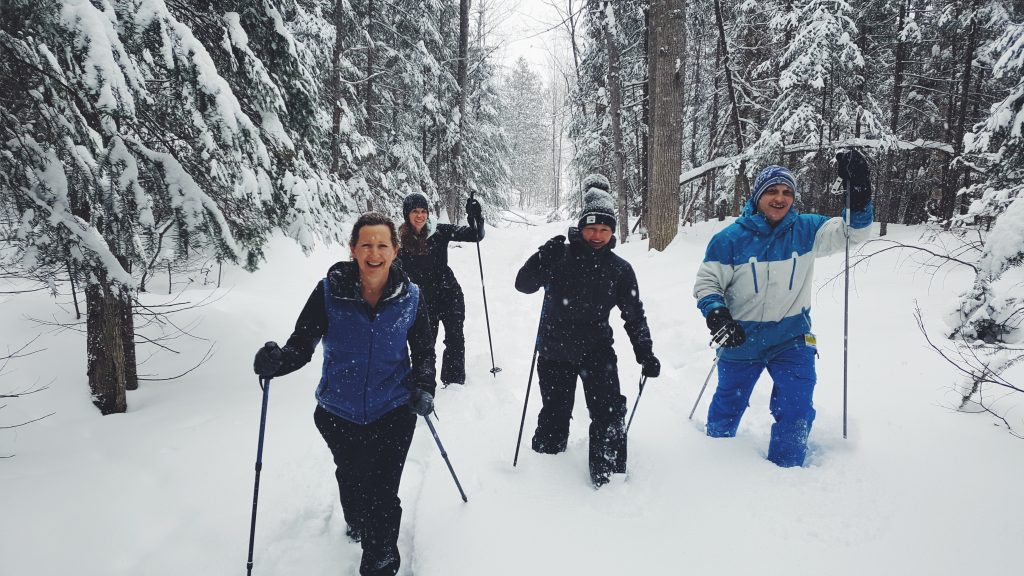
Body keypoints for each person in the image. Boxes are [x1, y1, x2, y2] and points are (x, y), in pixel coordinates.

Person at [252, 212, 436, 576]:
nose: (374, 252)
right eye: (366, 244)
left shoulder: (412, 297)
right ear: (353, 249)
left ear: (395, 250)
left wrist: (424, 386)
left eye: (382, 244)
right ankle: (356, 517)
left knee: (383, 495)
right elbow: (302, 345)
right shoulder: (328, 292)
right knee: (353, 481)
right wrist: (277, 362)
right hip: (338, 412)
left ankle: (380, 560)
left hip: (394, 411)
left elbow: (425, 351)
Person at [692, 150, 874, 468]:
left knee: (796, 404)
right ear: (758, 195)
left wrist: (858, 192)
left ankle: (788, 471)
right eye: (772, 191)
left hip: (791, 337)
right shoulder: (730, 239)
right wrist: (717, 315)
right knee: (727, 405)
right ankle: (713, 466)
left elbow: (852, 234)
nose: (780, 198)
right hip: (740, 337)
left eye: (787, 192)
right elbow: (708, 284)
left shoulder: (808, 230)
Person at [515, 174, 660, 488]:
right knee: (555, 415)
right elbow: (523, 285)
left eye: (604, 229)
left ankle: (609, 480)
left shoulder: (620, 269)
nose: (597, 235)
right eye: (591, 228)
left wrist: (645, 352)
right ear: (581, 228)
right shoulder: (559, 256)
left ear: (612, 232)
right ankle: (543, 480)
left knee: (608, 413)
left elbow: (633, 315)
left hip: (596, 350)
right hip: (554, 350)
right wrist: (541, 259)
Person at [397, 193, 485, 386]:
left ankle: (454, 384)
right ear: (406, 214)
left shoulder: (439, 231)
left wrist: (475, 217)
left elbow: (475, 235)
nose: (420, 216)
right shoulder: (399, 242)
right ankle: (424, 385)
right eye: (415, 211)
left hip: (449, 293)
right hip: (422, 300)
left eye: (423, 211)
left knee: (455, 338)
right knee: (425, 345)